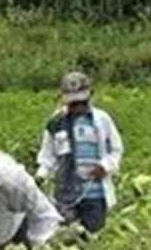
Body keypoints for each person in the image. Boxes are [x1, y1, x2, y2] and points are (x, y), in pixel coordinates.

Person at [36, 71, 124, 235]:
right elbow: (48, 155)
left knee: (93, 239)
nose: (78, 108)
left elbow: (116, 150)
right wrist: (41, 176)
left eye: (82, 103)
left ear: (90, 97)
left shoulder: (102, 120)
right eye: (73, 104)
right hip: (66, 193)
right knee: (67, 240)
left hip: (95, 193)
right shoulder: (56, 122)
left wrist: (105, 166)